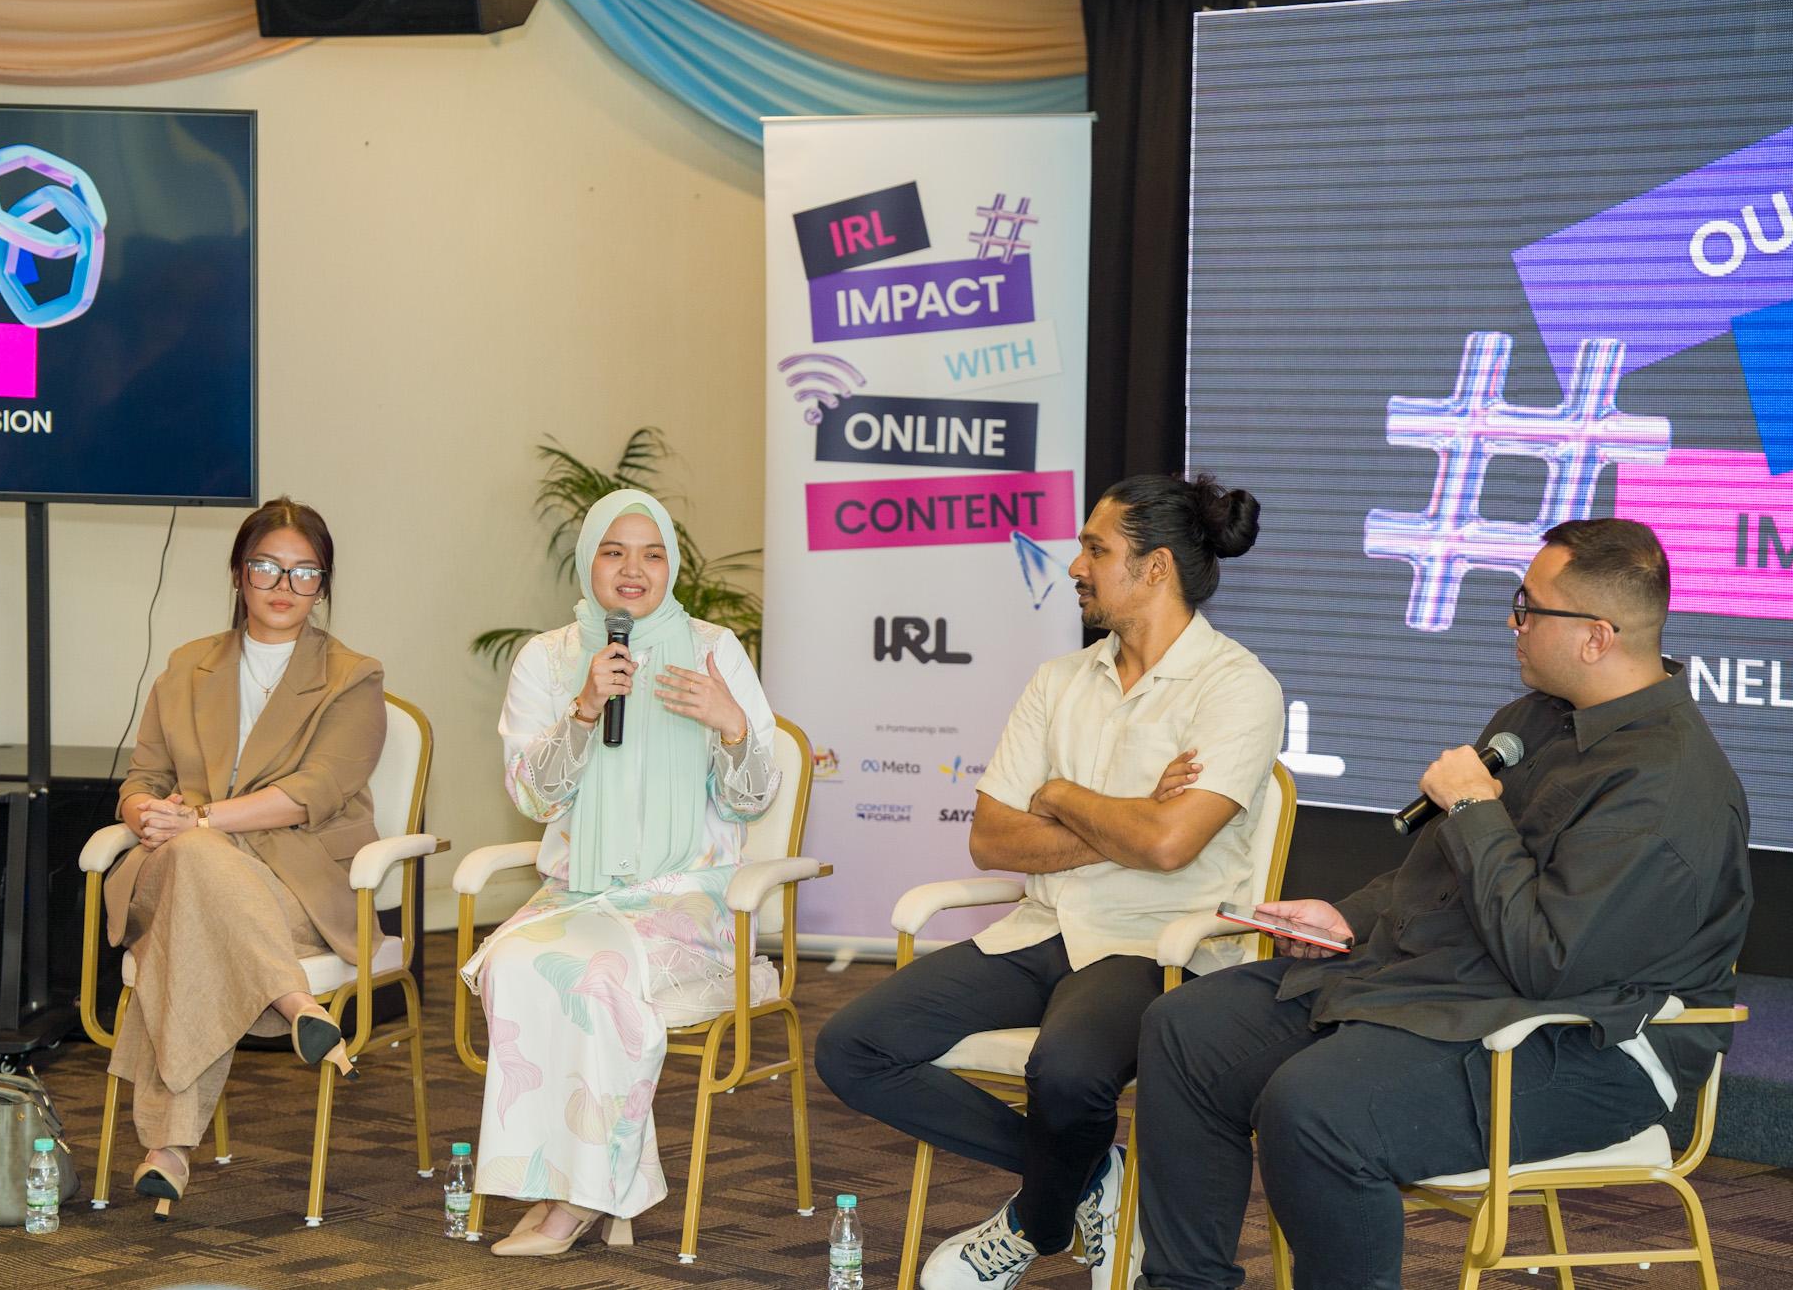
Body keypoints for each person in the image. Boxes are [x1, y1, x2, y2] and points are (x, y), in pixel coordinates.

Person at [1131, 518, 1752, 1290]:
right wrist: (1353, 918)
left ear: (1597, 636)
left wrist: (1475, 810)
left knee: (1316, 1110)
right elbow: (1440, 879)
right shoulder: (1534, 718)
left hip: (1592, 1041)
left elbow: (1549, 961)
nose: (1512, 622)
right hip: (1456, 986)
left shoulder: (1668, 783)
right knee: (1186, 1030)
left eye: (1528, 607)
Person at [815, 473, 1284, 1290]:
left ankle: (1035, 1218)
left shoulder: (1237, 686)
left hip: (1155, 944)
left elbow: (1169, 845)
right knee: (851, 1046)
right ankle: (1088, 1174)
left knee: (1066, 1073)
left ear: (1156, 567)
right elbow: (992, 838)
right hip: (1042, 928)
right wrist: (1127, 817)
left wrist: (1062, 796)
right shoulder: (1059, 680)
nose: (1074, 565)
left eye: (1096, 549)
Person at [462, 488, 781, 1256]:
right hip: (579, 890)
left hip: (688, 894)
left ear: (671, 565)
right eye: (614, 551)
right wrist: (582, 708)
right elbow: (534, 797)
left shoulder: (715, 649)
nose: (633, 569)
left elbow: (752, 795)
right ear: (589, 562)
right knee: (514, 962)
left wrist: (731, 724)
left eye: (652, 553)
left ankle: (578, 1196)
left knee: (592, 977)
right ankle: (561, 1180)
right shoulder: (548, 659)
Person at [105, 496, 386, 1218]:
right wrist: (146, 813)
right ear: (238, 572)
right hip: (177, 867)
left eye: (304, 572)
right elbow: (141, 778)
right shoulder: (186, 666)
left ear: (323, 585)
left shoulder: (353, 677)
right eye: (267, 566)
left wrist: (196, 819)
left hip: (290, 880)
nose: (284, 585)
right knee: (194, 862)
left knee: (191, 906)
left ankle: (169, 1148)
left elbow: (311, 793)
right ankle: (296, 1002)